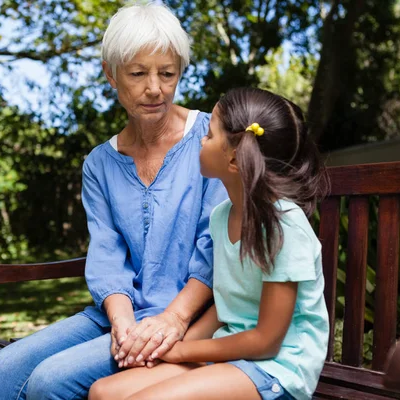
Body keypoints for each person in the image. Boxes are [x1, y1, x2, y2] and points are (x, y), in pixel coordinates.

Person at [0, 2, 227, 399]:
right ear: (110, 75)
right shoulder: (99, 163)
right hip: (119, 313)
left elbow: (215, 249)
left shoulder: (211, 142)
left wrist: (173, 319)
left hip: (193, 317)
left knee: (50, 381)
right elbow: (107, 255)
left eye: (168, 74)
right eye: (137, 74)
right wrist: (122, 322)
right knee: (3, 367)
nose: (155, 88)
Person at [89, 87, 330, 400]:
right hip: (232, 349)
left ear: (233, 157)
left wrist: (182, 353)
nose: (201, 140)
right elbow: (227, 304)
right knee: (103, 393)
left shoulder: (283, 225)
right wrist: (171, 347)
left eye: (210, 135)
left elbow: (267, 340)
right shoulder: (222, 216)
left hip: (279, 367)